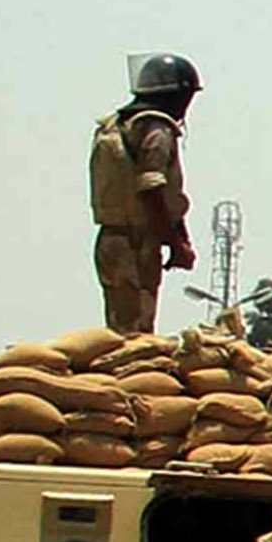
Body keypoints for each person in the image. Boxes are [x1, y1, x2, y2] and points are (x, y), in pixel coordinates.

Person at [88, 53, 201, 333]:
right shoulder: (157, 130)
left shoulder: (113, 127)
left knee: (121, 326)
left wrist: (179, 235)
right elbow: (152, 189)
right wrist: (175, 243)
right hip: (137, 243)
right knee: (136, 333)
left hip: (111, 239)